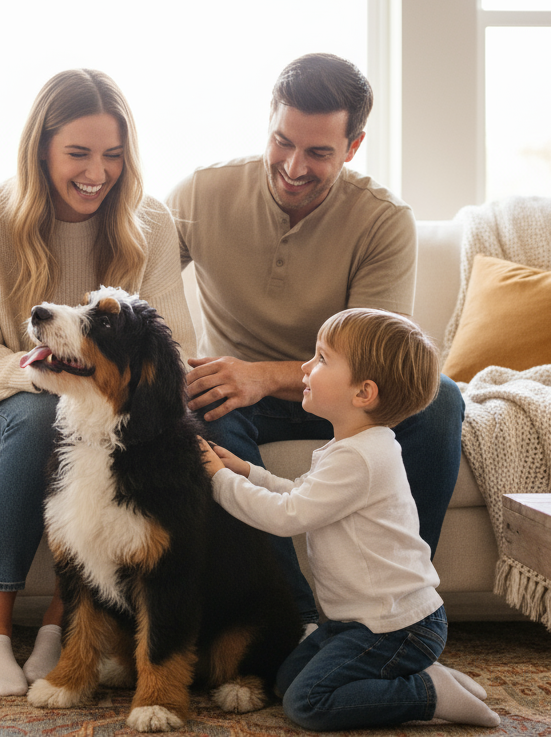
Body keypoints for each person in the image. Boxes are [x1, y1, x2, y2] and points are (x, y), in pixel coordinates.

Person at [167, 52, 465, 629]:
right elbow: (140, 290)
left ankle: (399, 612)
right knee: (204, 407)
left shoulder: (383, 220)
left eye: (319, 153)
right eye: (283, 142)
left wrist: (261, 374)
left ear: (353, 147)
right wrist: (186, 366)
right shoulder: (199, 194)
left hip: (344, 393)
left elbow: (380, 363)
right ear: (269, 121)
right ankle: (297, 622)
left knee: (440, 400)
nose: (293, 166)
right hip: (242, 402)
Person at [0, 69, 196, 697]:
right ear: (42, 149)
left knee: (135, 431)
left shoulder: (150, 221)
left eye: (113, 155)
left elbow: (175, 347)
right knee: (40, 421)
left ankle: (63, 624)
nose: (97, 173)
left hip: (88, 403)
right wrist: (52, 378)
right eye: (78, 153)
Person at [200, 308, 499, 731]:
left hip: (397, 628)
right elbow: (303, 493)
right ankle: (419, 672)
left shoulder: (360, 458)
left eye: (321, 359)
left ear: (363, 393)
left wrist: (219, 480)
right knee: (285, 681)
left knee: (307, 703)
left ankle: (428, 693)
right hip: (357, 624)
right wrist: (249, 472)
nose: (304, 368)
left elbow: (287, 515)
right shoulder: (350, 447)